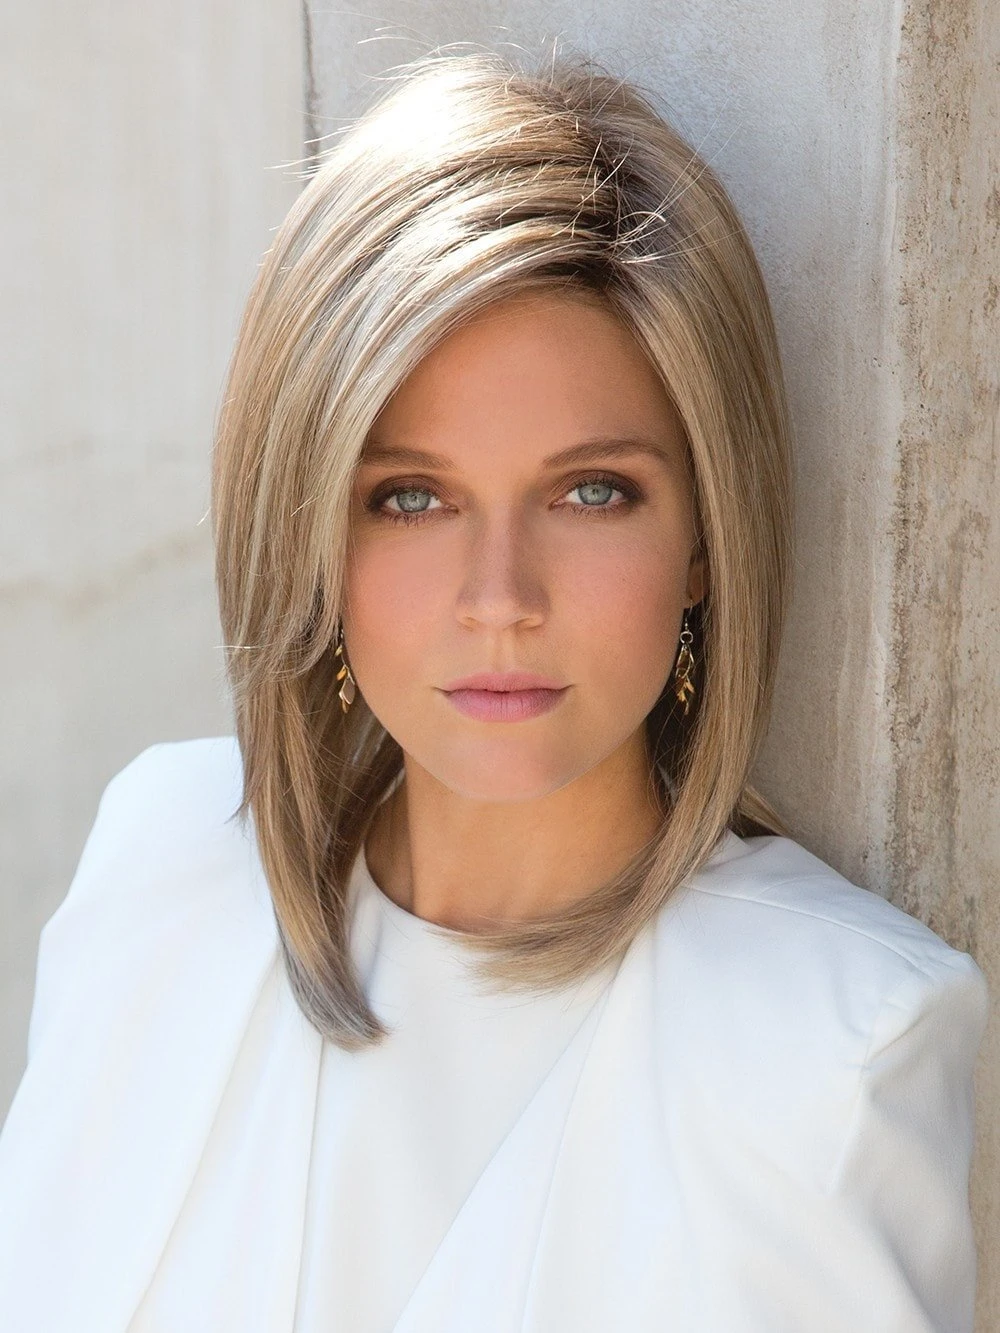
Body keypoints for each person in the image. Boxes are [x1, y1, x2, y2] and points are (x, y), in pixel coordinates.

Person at [0, 46, 989, 1333]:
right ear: (311, 531)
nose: (499, 595)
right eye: (412, 498)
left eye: (591, 491)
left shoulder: (832, 1045)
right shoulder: (160, 874)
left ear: (704, 538)